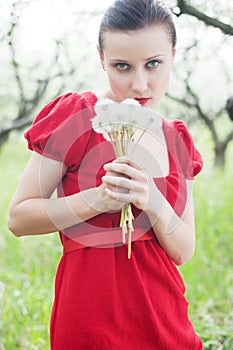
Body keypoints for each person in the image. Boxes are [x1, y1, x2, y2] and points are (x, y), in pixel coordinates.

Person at [8, 0, 203, 349]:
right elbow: (19, 218)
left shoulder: (176, 140)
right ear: (101, 60)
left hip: (164, 319)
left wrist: (151, 199)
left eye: (154, 64)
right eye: (122, 66)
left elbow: (183, 250)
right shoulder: (76, 117)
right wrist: (98, 199)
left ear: (173, 55)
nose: (139, 84)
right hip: (88, 320)